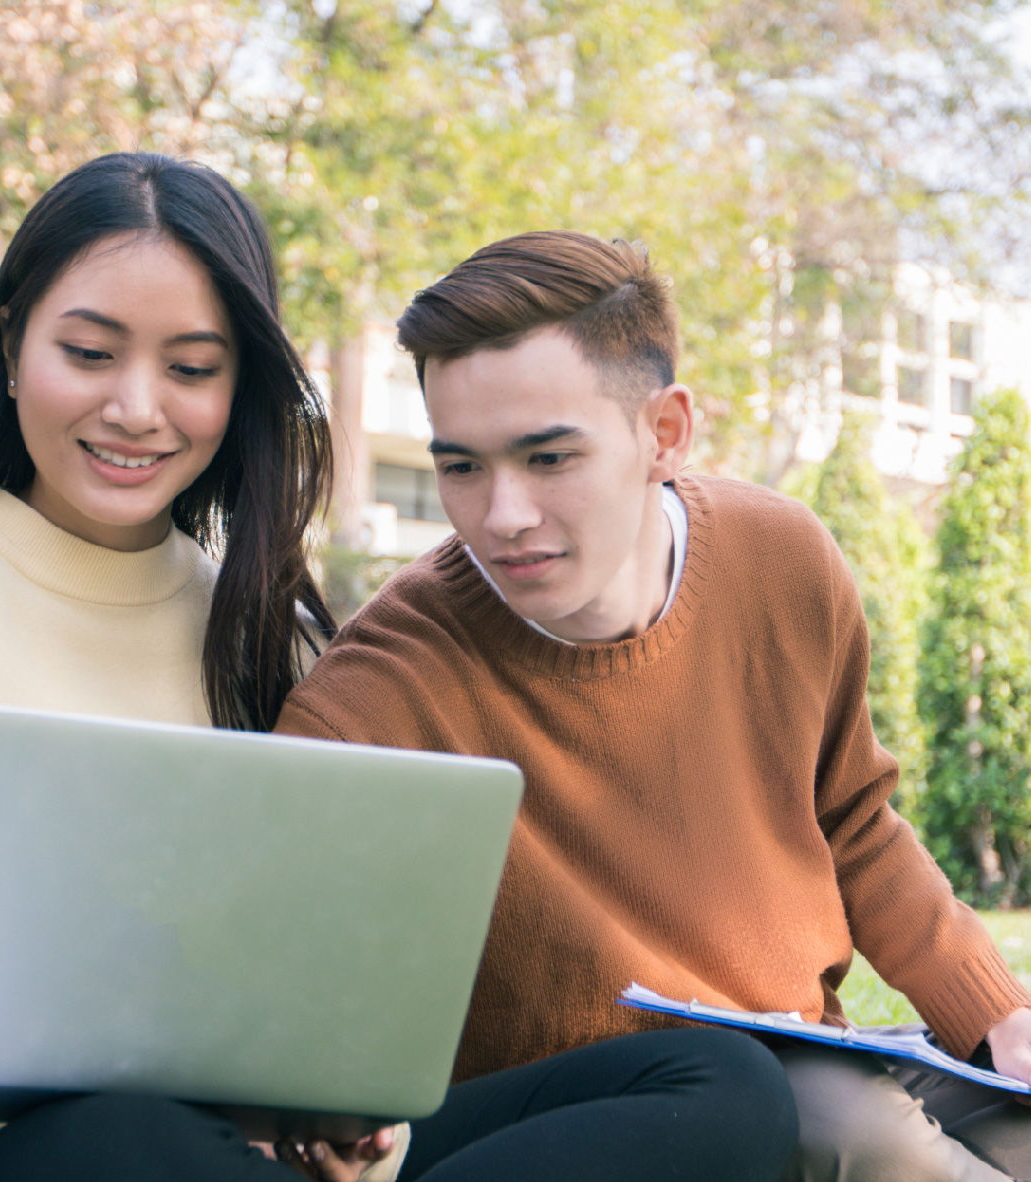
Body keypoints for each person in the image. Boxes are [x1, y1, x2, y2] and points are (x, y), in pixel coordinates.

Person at [0, 154, 798, 1182]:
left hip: (243, 1151)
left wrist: (348, 1115)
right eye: (89, 354)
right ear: (12, 351)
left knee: (718, 1084)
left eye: (190, 369)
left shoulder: (264, 631)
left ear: (237, 390)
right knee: (121, 1133)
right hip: (30, 1155)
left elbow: (321, 977)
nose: (136, 408)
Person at [274, 228, 1031, 1180]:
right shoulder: (374, 697)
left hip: (827, 1049)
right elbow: (295, 972)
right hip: (638, 1116)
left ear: (663, 434)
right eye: (461, 466)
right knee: (855, 1136)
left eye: (548, 459)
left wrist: (998, 1012)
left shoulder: (783, 559)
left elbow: (855, 824)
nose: (500, 515)